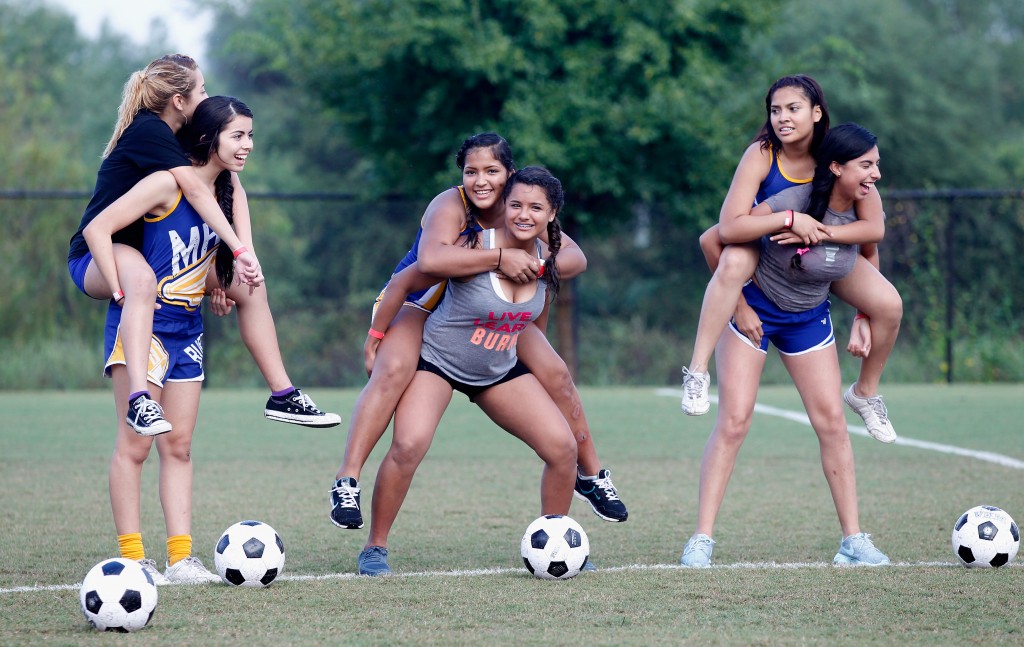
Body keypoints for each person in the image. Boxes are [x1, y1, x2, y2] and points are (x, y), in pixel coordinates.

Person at [329, 134, 627, 532]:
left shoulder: (524, 209)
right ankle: (347, 480)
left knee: (556, 373)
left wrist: (534, 267)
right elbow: (430, 260)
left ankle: (590, 476)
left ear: (511, 175)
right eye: (472, 171)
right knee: (394, 373)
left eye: (491, 171)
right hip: (419, 302)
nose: (481, 180)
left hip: (487, 316)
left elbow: (572, 258)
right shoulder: (453, 206)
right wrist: (502, 258)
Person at [68, 54, 340, 433]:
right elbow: (194, 190)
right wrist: (118, 287)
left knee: (248, 287)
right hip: (102, 251)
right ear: (179, 100)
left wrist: (230, 268)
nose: (205, 95)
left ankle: (283, 394)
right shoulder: (150, 130)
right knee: (141, 282)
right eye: (201, 89)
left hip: (148, 256)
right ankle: (138, 399)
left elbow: (230, 189)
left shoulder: (179, 138)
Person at [679, 123, 892, 568]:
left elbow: (871, 248)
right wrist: (740, 306)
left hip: (808, 318)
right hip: (756, 311)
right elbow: (712, 238)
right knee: (734, 423)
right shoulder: (792, 200)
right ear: (836, 168)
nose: (876, 174)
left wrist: (863, 317)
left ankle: (853, 541)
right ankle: (701, 540)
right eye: (867, 165)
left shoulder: (862, 206)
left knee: (833, 423)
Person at [354, 166, 580, 575]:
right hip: (437, 363)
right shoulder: (474, 244)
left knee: (563, 449)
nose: (523, 215)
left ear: (552, 215)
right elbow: (408, 278)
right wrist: (376, 333)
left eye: (535, 207)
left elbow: (535, 322)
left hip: (497, 370)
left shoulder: (549, 263)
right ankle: (375, 547)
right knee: (408, 445)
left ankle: (558, 544)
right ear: (503, 206)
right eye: (515, 205)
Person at [81, 96, 258, 583]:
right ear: (210, 137)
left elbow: (192, 266)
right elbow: (102, 229)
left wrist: (220, 286)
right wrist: (119, 285)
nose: (247, 145)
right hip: (144, 330)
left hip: (187, 331)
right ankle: (133, 556)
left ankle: (181, 558)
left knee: (178, 447)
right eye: (238, 135)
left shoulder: (225, 195)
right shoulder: (166, 184)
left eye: (249, 135)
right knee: (134, 446)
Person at [679, 75, 901, 445]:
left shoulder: (838, 158)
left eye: (793, 109)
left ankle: (865, 392)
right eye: (775, 110)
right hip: (764, 249)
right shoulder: (763, 153)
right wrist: (789, 222)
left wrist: (863, 315)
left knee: (890, 304)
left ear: (816, 113)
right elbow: (722, 233)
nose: (782, 117)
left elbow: (871, 234)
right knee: (732, 262)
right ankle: (698, 372)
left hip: (817, 256)